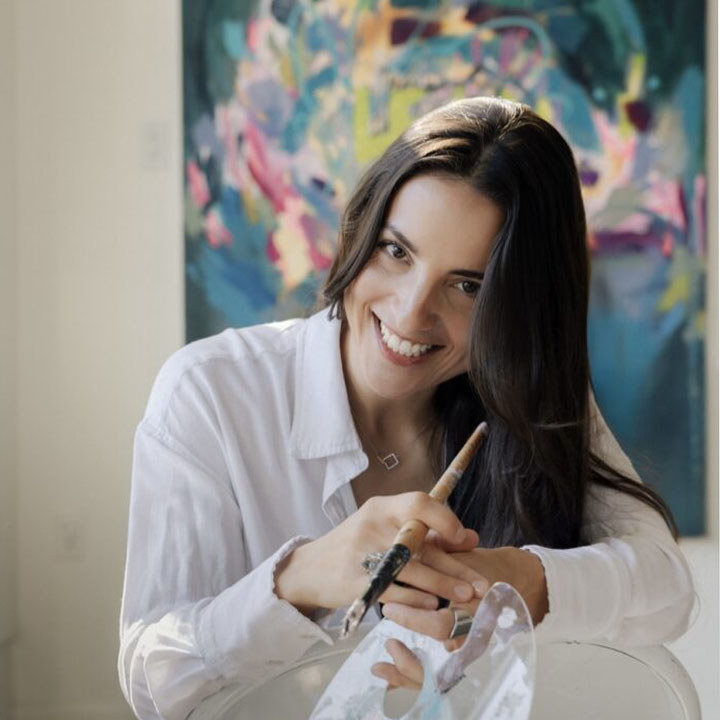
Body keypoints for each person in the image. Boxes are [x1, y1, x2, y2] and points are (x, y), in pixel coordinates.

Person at [118, 96, 694, 720]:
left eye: (467, 285)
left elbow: (666, 591)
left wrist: (514, 581)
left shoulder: (529, 397)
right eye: (397, 251)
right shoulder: (210, 393)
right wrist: (298, 579)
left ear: (520, 312)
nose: (411, 312)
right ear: (360, 228)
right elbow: (155, 682)